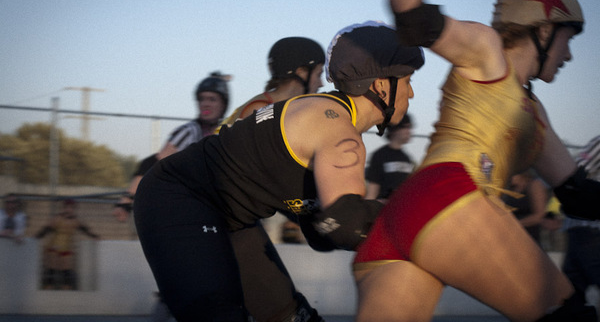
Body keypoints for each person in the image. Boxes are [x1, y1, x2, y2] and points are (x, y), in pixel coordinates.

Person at [351, 0, 599, 321]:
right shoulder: (489, 52)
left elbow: (580, 196)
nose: (568, 55)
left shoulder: (535, 116)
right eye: (568, 40)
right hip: (448, 195)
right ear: (545, 30)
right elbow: (416, 22)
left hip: (404, 217)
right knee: (569, 316)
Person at [133, 20, 424, 321]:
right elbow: (345, 225)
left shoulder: (326, 116)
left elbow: (323, 231)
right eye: (408, 80)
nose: (412, 93)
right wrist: (416, 222)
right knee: (221, 314)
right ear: (381, 84)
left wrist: (366, 215)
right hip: (180, 199)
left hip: (230, 217)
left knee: (290, 316)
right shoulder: (337, 130)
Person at [221, 36, 328, 321]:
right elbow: (264, 179)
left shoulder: (281, 112)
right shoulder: (259, 110)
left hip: (233, 219)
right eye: (318, 73)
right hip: (221, 219)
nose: (322, 83)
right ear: (301, 72)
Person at [113, 71, 231, 220]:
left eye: (212, 99)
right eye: (202, 99)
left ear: (223, 105)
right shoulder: (188, 131)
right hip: (183, 208)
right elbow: (152, 164)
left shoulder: (225, 135)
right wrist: (127, 198)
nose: (205, 104)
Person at [562, 135, 600, 311]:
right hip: (584, 228)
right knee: (572, 288)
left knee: (573, 286)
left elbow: (575, 172)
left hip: (587, 228)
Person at [36, 198, 100, 290]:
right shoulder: (58, 218)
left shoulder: (75, 220)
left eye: (71, 208)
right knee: (52, 269)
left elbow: (84, 229)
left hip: (66, 248)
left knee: (66, 270)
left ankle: (66, 289)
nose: (69, 209)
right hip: (54, 247)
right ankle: (48, 287)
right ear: (64, 208)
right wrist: (38, 236)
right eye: (67, 207)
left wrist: (94, 236)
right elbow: (47, 228)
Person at [365, 113, 415, 201]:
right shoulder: (380, 155)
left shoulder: (406, 158)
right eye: (405, 127)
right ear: (394, 130)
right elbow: (372, 191)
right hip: (383, 206)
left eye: (409, 127)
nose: (408, 131)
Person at [501, 170, 549, 244]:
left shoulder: (534, 185)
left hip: (528, 235)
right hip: (511, 236)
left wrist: (515, 224)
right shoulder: (508, 188)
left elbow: (539, 216)